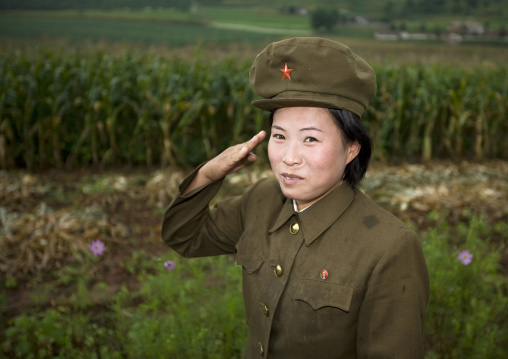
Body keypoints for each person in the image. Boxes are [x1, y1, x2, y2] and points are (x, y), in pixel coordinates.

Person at [161, 37, 429, 359]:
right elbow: (182, 235)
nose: (289, 157)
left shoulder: (388, 247)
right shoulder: (262, 200)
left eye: (311, 139)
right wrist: (209, 174)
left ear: (352, 147)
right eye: (279, 136)